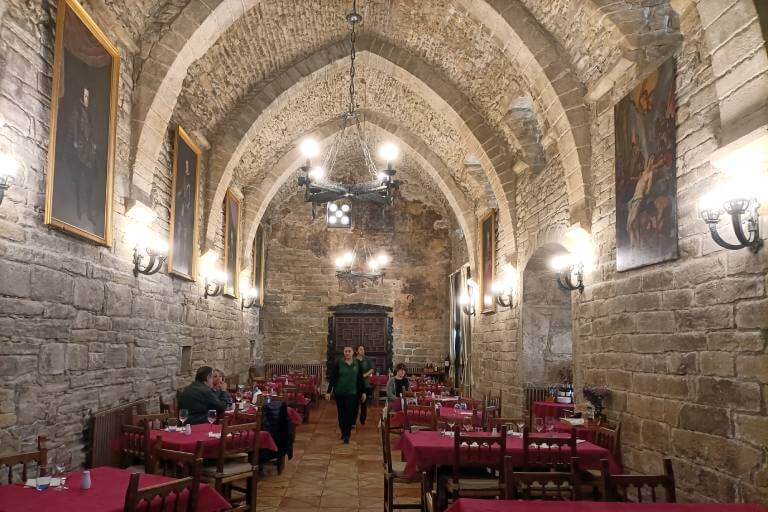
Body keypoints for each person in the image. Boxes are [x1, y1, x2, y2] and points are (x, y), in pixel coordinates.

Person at [326, 346, 366, 443]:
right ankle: (343, 432)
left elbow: (360, 379)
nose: (347, 353)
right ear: (343, 353)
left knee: (349, 414)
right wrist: (328, 391)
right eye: (345, 351)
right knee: (341, 414)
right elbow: (333, 377)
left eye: (349, 351)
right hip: (340, 392)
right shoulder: (339, 363)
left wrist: (363, 392)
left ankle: (347, 435)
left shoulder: (357, 363)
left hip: (352, 393)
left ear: (353, 353)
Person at [355, 345, 374, 425]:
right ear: (356, 351)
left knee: (364, 403)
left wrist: (365, 375)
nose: (363, 350)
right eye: (361, 349)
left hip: (365, 383)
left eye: (363, 349)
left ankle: (362, 419)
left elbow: (372, 369)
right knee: (354, 404)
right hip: (355, 384)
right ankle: (353, 421)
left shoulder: (367, 359)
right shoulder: (354, 360)